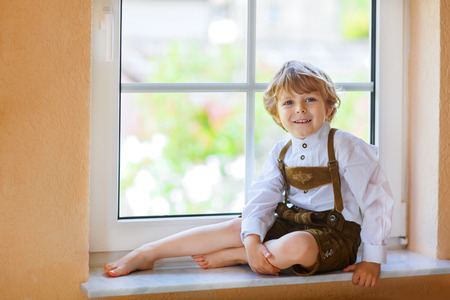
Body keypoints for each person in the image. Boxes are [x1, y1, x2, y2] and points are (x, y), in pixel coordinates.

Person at [104, 60, 393, 288]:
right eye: (289, 102)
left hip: (334, 236)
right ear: (277, 113)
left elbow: (376, 199)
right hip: (293, 222)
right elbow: (262, 200)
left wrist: (373, 259)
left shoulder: (344, 145)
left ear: (329, 106)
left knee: (297, 244)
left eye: (310, 100)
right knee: (239, 225)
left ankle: (239, 256)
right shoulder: (281, 152)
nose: (300, 109)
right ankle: (149, 252)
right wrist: (253, 239)